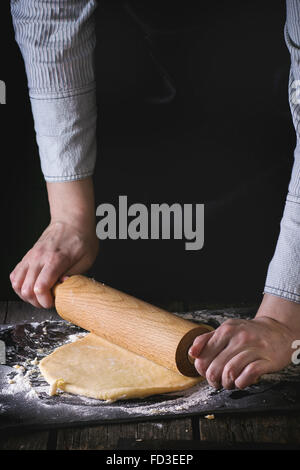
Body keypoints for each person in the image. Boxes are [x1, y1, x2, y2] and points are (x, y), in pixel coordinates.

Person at [8, 0, 300, 389]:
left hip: (268, 160)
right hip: (124, 143)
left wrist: (283, 318)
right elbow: (49, 22)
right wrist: (70, 217)